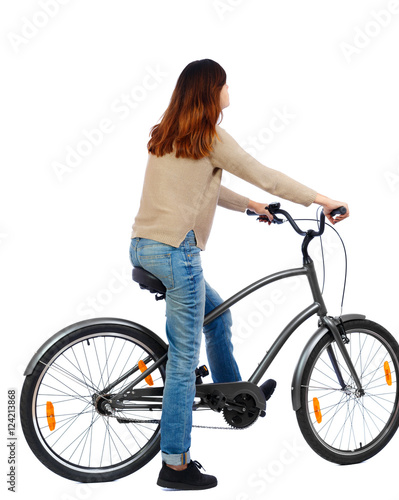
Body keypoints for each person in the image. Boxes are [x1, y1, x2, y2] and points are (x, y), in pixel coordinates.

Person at [129, 59, 349, 490]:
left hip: (145, 245)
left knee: (219, 315)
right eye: (225, 84)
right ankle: (174, 464)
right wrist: (322, 199)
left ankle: (232, 394)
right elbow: (265, 175)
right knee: (183, 359)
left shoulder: (170, 133)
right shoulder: (210, 136)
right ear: (211, 92)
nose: (230, 89)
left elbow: (205, 185)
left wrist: (252, 207)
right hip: (177, 253)